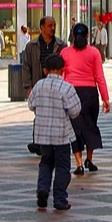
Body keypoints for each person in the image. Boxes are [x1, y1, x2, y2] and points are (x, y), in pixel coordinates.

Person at [28, 53, 82, 211]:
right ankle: (60, 198)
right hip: (62, 135)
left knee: (45, 163)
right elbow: (75, 110)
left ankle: (43, 189)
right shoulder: (66, 87)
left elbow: (31, 105)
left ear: (45, 71)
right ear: (62, 70)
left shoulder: (38, 86)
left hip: (42, 134)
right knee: (62, 166)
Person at [61, 22, 110, 176]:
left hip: (71, 92)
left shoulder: (65, 52)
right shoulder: (94, 53)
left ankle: (79, 163)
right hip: (90, 94)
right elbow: (99, 77)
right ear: (88, 35)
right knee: (90, 125)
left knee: (74, 129)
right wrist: (106, 98)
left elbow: (62, 75)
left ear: (73, 35)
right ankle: (89, 159)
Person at [20, 16, 67, 153]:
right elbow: (26, 66)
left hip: (57, 85)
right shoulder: (31, 46)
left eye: (54, 25)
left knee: (56, 114)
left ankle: (54, 143)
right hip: (38, 85)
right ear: (42, 27)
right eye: (49, 25)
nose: (52, 28)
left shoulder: (61, 45)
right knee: (39, 114)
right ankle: (39, 143)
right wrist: (28, 86)